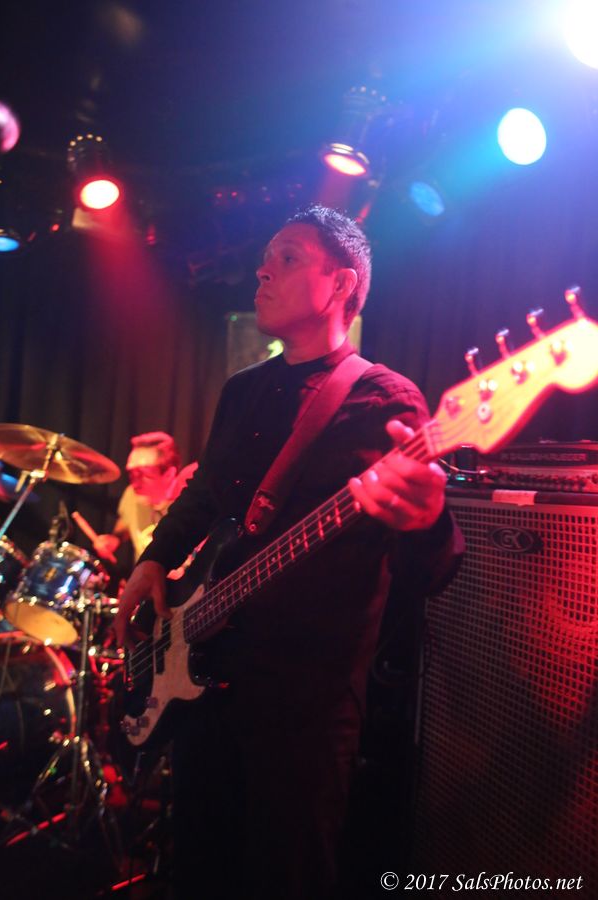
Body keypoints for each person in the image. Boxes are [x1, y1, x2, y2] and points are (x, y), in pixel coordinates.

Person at [114, 205, 463, 899]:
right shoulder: (244, 390)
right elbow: (206, 496)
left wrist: (428, 520)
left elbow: (432, 573)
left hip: (305, 702)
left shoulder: (385, 399)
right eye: (266, 257)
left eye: (288, 257)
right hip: (206, 676)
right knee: (200, 871)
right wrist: (154, 558)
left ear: (342, 284)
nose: (262, 270)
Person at [94, 431, 198, 563]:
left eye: (142, 474)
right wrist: (115, 539)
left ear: (169, 474)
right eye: (131, 473)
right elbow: (125, 523)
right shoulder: (131, 495)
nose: (134, 482)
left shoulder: (192, 501)